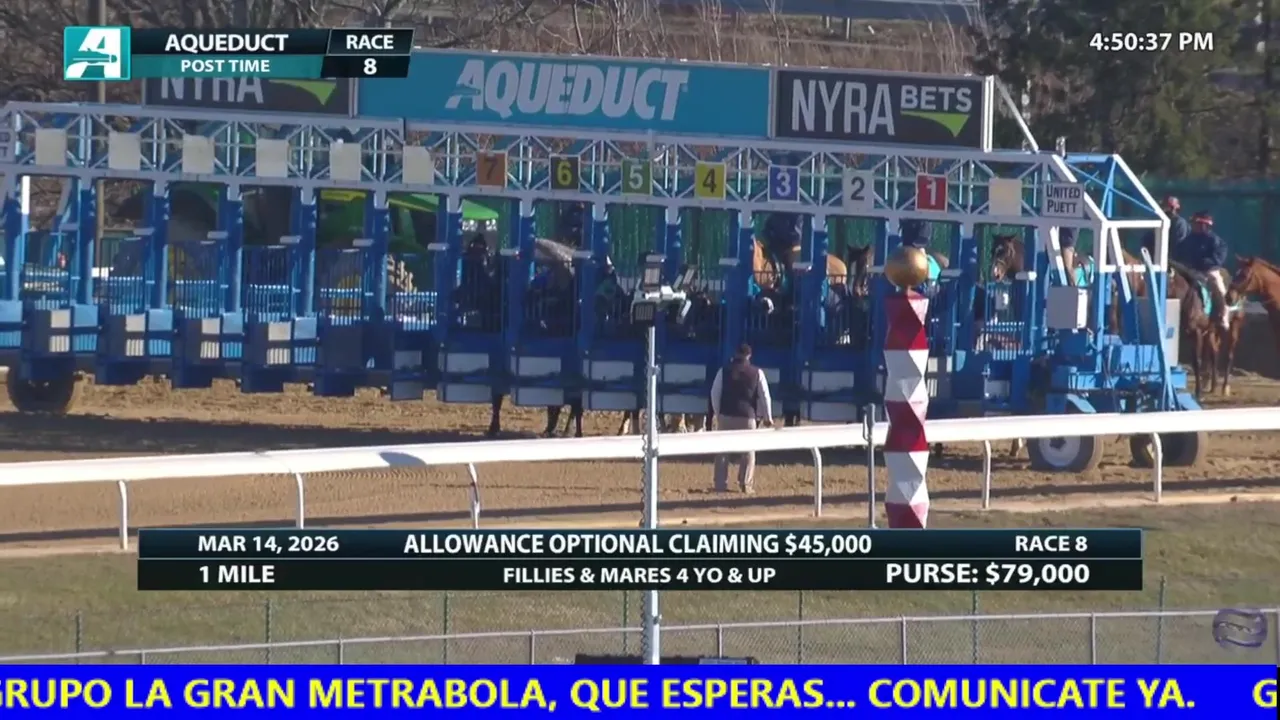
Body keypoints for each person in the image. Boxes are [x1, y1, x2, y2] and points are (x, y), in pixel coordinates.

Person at [709, 343, 773, 494]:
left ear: (735, 353)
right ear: (749, 356)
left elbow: (714, 393)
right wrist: (767, 417)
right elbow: (765, 396)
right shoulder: (757, 373)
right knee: (748, 452)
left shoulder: (723, 371)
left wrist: (718, 413)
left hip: (726, 415)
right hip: (747, 417)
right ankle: (745, 484)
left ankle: (720, 484)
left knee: (722, 452)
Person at [1176, 211, 1230, 329]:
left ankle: (1223, 313)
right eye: (1193, 223)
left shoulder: (1216, 241)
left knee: (1216, 282)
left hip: (1208, 271)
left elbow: (1218, 259)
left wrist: (1203, 263)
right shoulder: (1188, 240)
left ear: (1204, 225)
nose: (1193, 226)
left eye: (1195, 223)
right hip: (1188, 270)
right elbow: (1179, 254)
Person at [1141, 195, 1191, 262]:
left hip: (1172, 262)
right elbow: (1147, 241)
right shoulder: (1158, 221)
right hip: (1155, 260)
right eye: (1163, 207)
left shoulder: (1179, 223)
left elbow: (1177, 246)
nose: (1164, 209)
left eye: (1168, 207)